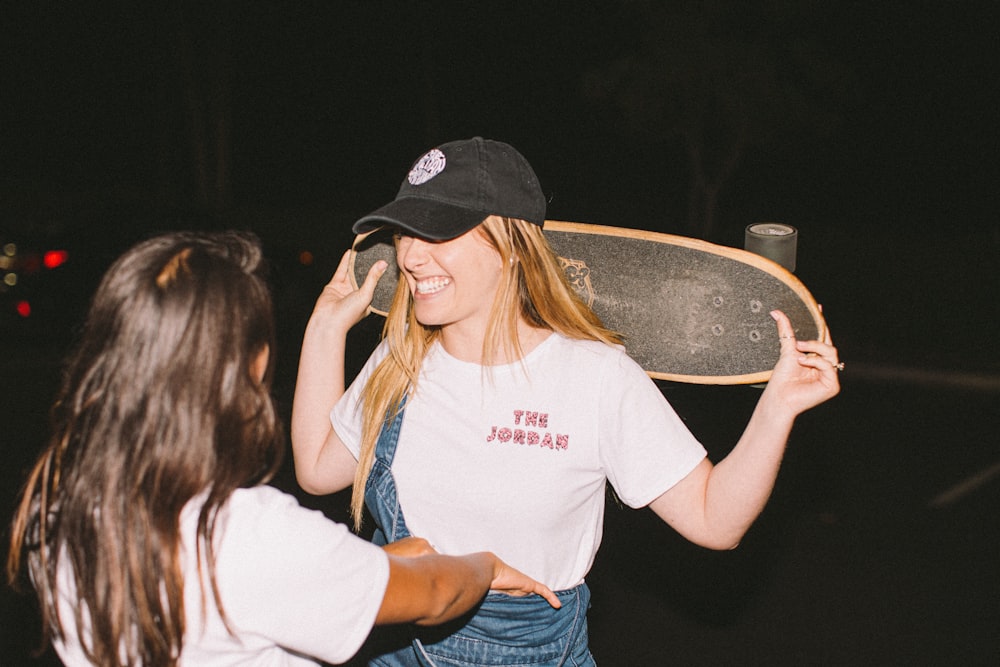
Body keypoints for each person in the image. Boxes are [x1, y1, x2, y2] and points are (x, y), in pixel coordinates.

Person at [291, 137, 841, 666]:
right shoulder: (399, 362)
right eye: (405, 232)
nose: (410, 255)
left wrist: (777, 410)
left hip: (524, 653)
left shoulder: (595, 377)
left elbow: (714, 520)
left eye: (437, 234)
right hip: (390, 642)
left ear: (510, 245)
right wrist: (324, 329)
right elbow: (318, 470)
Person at [6, 230, 560, 667]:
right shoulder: (248, 533)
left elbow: (245, 595)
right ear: (237, 369)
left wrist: (380, 563)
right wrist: (483, 566)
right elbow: (438, 593)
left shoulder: (62, 510)